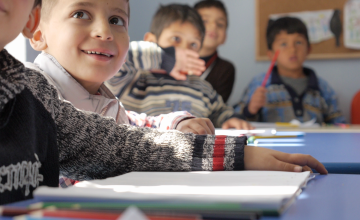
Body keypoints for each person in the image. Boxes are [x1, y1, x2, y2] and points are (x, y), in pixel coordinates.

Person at [0, 0, 327, 205]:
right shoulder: (45, 85)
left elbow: (127, 135)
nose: (103, 31)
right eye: (81, 13)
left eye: (117, 20)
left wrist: (186, 127)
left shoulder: (54, 92)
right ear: (36, 29)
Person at [106, 4, 251, 130]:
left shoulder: (202, 87)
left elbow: (220, 111)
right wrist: (165, 58)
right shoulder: (134, 79)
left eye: (193, 45)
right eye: (176, 39)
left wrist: (230, 118)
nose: (184, 50)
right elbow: (121, 55)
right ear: (150, 41)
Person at [234, 17, 346, 124]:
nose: (292, 49)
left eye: (298, 42)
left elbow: (338, 124)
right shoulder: (259, 83)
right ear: (271, 54)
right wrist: (250, 110)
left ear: (308, 49)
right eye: (283, 44)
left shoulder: (322, 87)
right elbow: (236, 120)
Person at [194, 0, 235, 103]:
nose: (213, 26)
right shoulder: (174, 60)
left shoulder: (226, 69)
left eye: (220, 24)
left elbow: (216, 108)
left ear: (225, 37)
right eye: (204, 21)